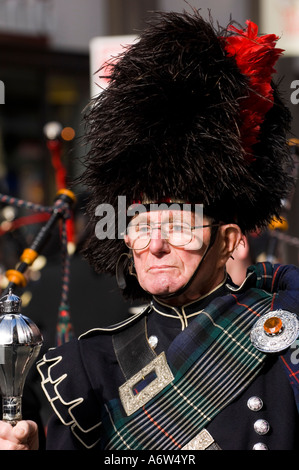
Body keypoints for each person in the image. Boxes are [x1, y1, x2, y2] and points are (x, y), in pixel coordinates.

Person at [0, 9, 299, 450]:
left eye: (178, 226)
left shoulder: (284, 335)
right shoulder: (84, 367)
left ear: (229, 241)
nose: (155, 244)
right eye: (139, 226)